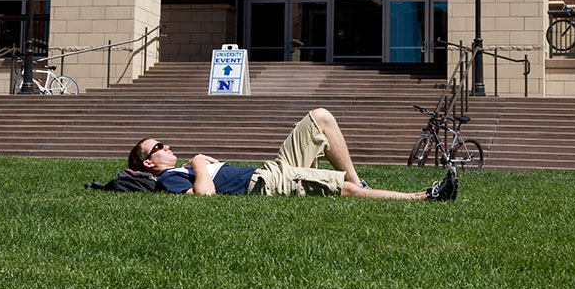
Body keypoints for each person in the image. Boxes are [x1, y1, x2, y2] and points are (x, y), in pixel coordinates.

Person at [129, 107, 458, 201]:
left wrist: (201, 161)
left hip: (272, 168)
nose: (167, 146)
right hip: (263, 183)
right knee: (342, 189)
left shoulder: (178, 169)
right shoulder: (168, 180)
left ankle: (365, 187)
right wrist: (200, 163)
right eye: (159, 147)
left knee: (321, 117)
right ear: (148, 163)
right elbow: (204, 197)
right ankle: (423, 197)